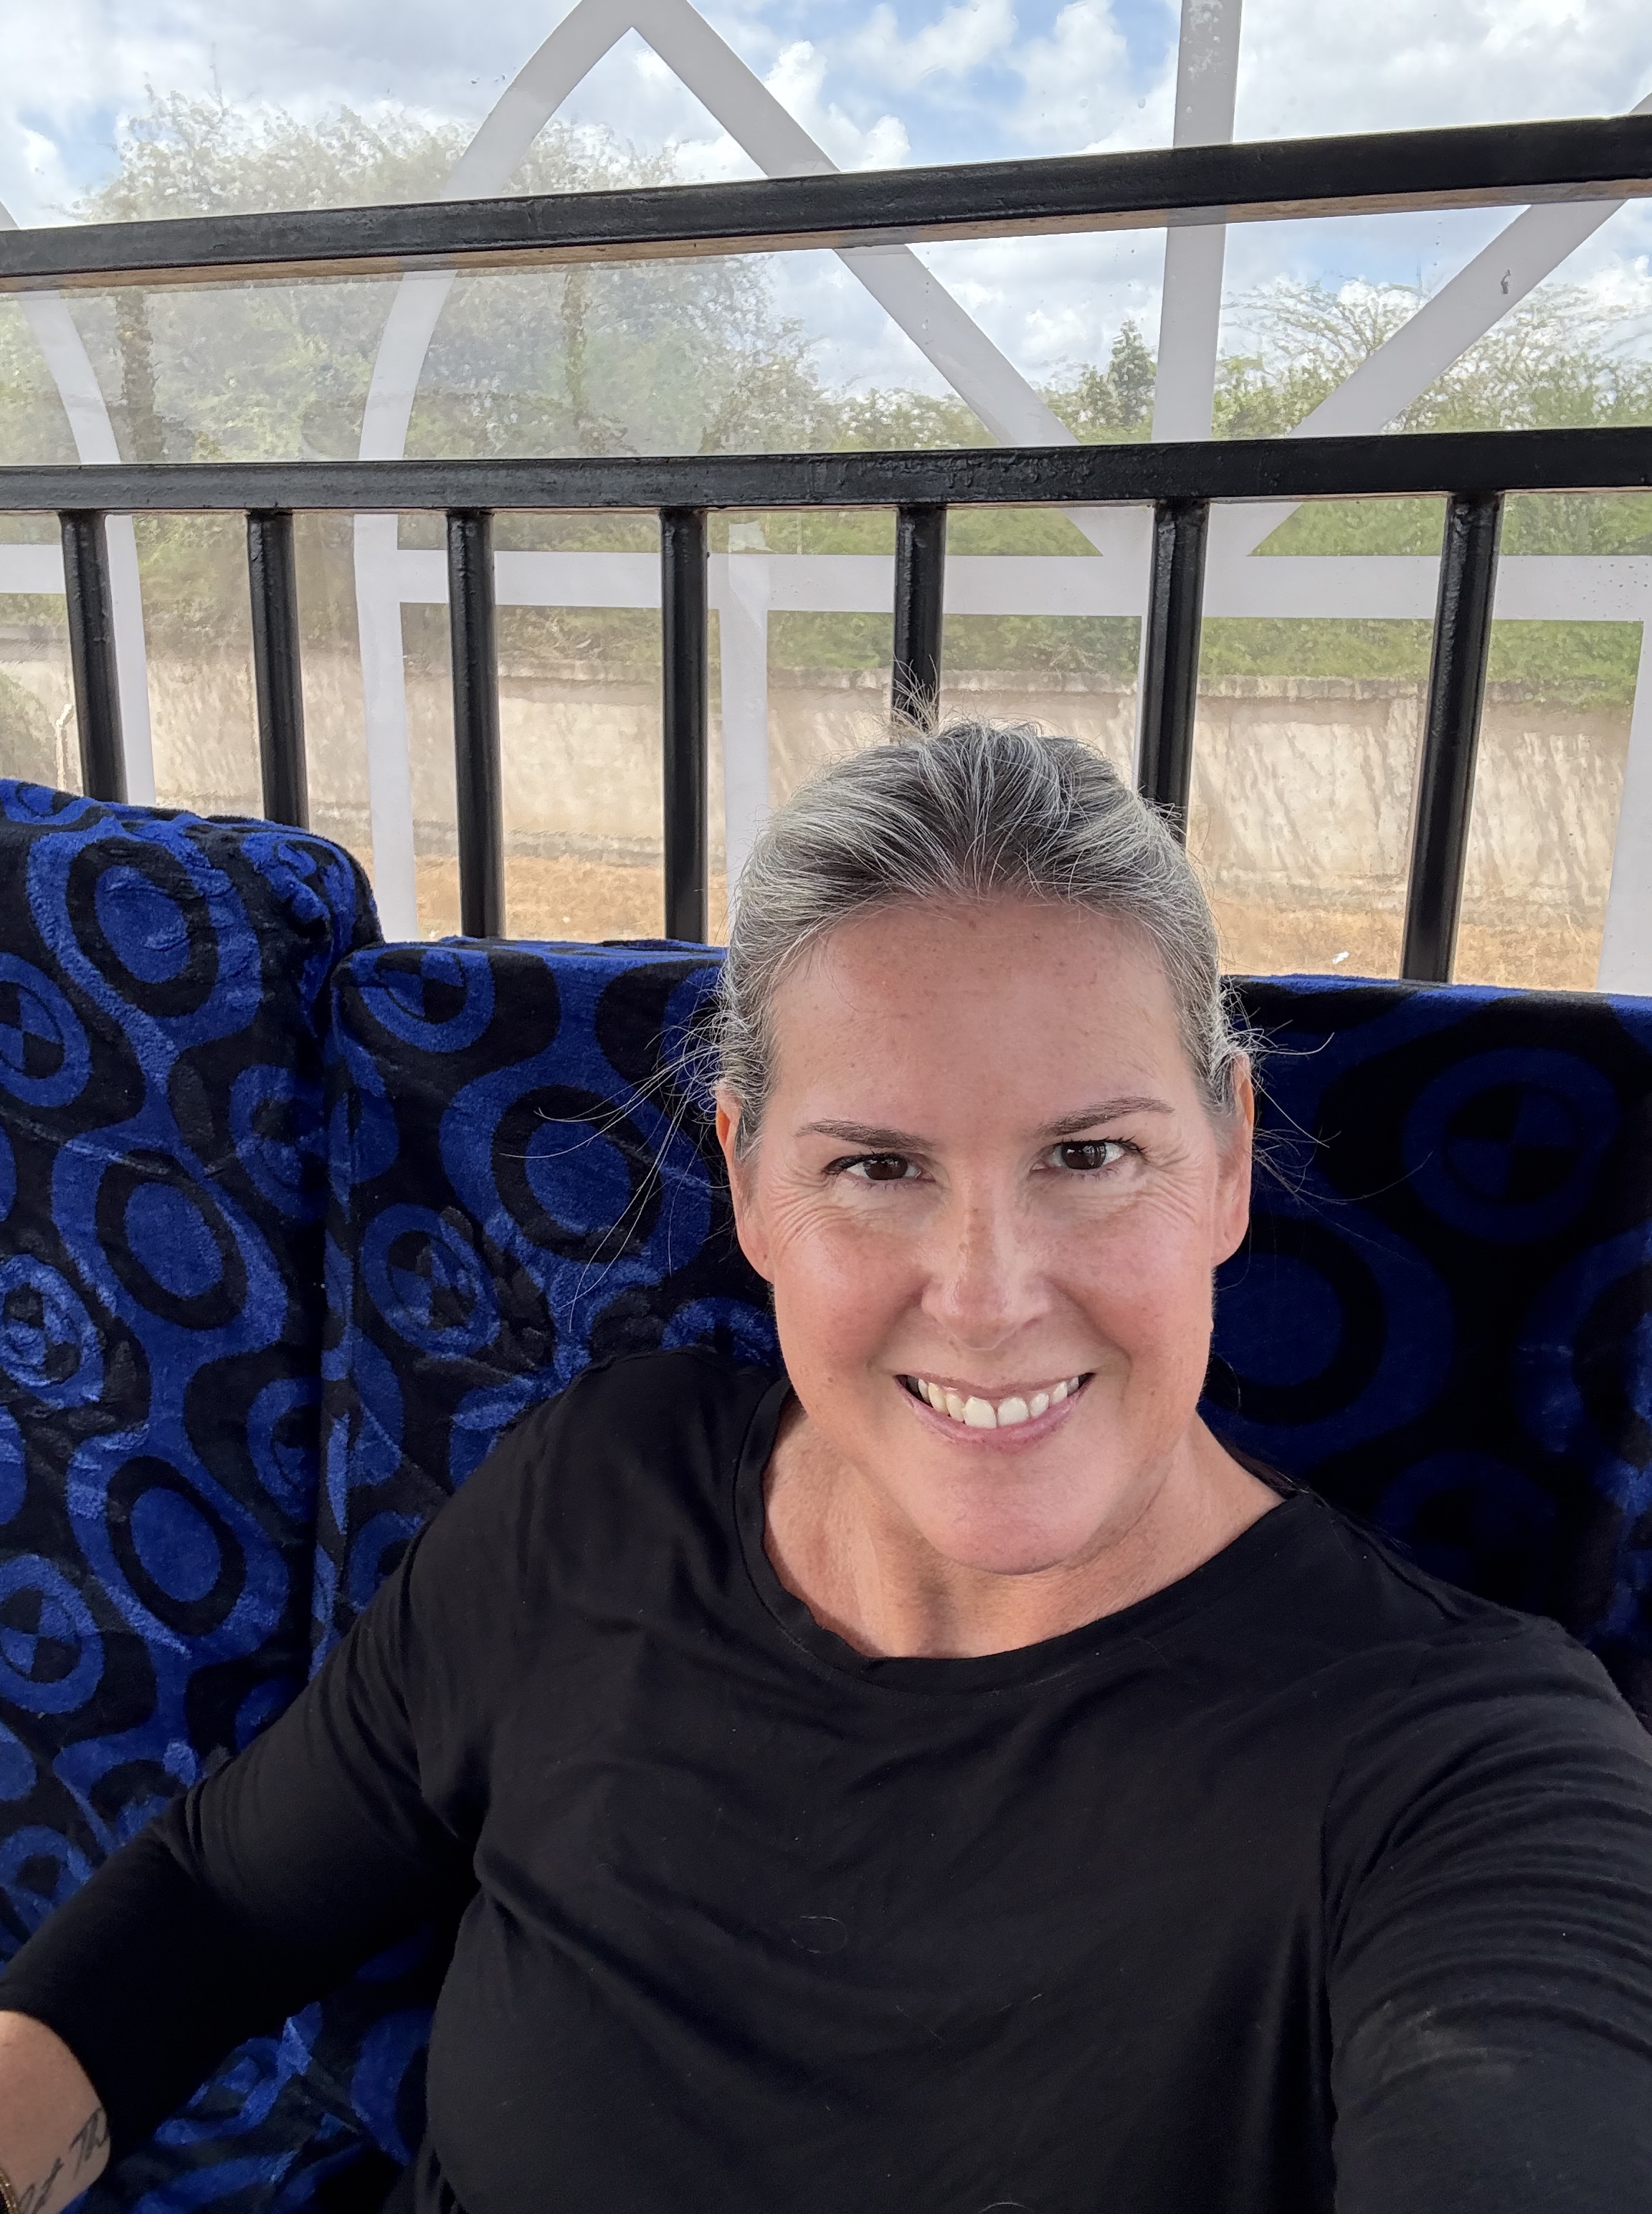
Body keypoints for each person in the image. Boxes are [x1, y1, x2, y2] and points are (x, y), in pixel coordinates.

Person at [2, 721, 1651, 2214]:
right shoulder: (599, 1491)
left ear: (1225, 1158)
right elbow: (213, 1907)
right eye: (876, 1164)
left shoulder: (1473, 1768)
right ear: (750, 1184)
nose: (993, 1293)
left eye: (1093, 1153)